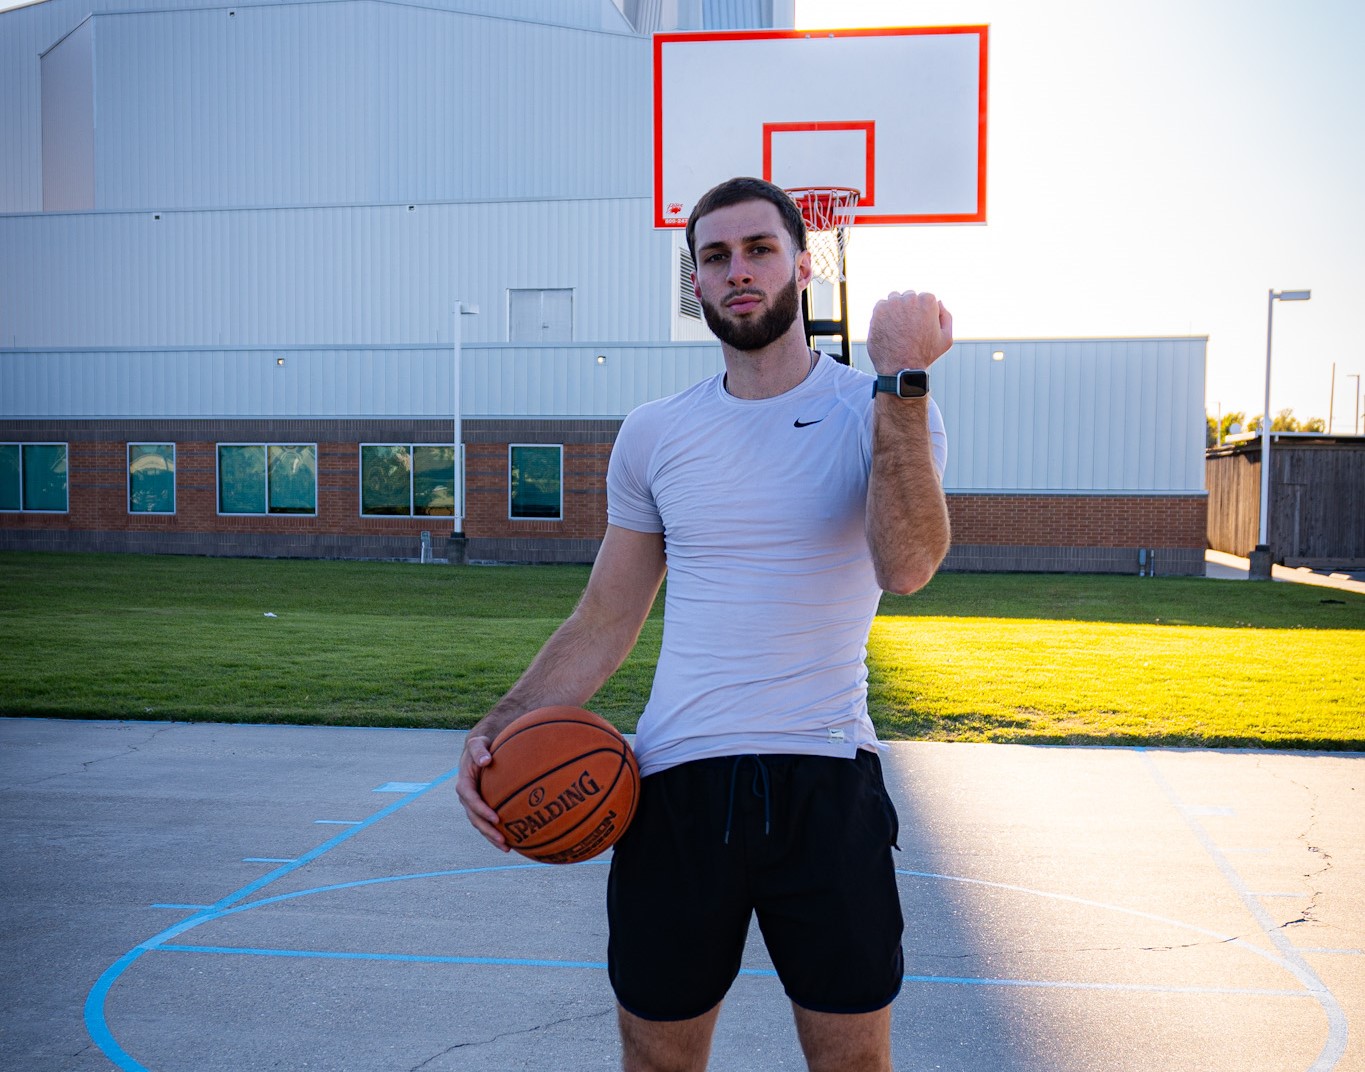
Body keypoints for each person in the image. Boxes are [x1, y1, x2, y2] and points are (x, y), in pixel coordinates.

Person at [456, 175, 952, 1072]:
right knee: (657, 1062)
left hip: (825, 776)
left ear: (803, 264)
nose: (737, 271)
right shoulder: (656, 432)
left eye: (759, 249)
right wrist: (501, 724)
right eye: (715, 257)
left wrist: (902, 381)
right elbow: (605, 617)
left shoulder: (880, 405)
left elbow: (907, 563)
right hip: (675, 787)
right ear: (696, 283)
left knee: (851, 1065)